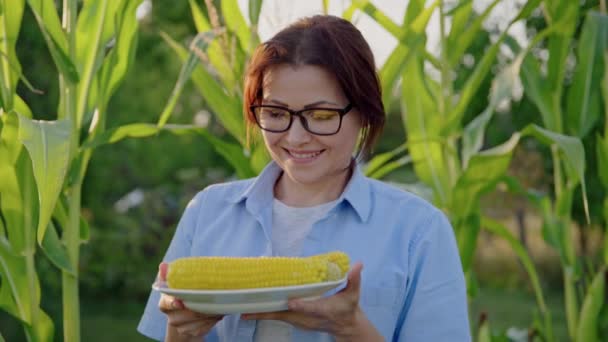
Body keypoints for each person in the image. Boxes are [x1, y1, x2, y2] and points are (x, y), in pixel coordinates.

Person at [138, 14, 470, 342]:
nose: (296, 138)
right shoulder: (207, 211)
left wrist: (351, 329)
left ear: (365, 113)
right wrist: (181, 332)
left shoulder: (419, 231)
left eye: (321, 115)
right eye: (276, 114)